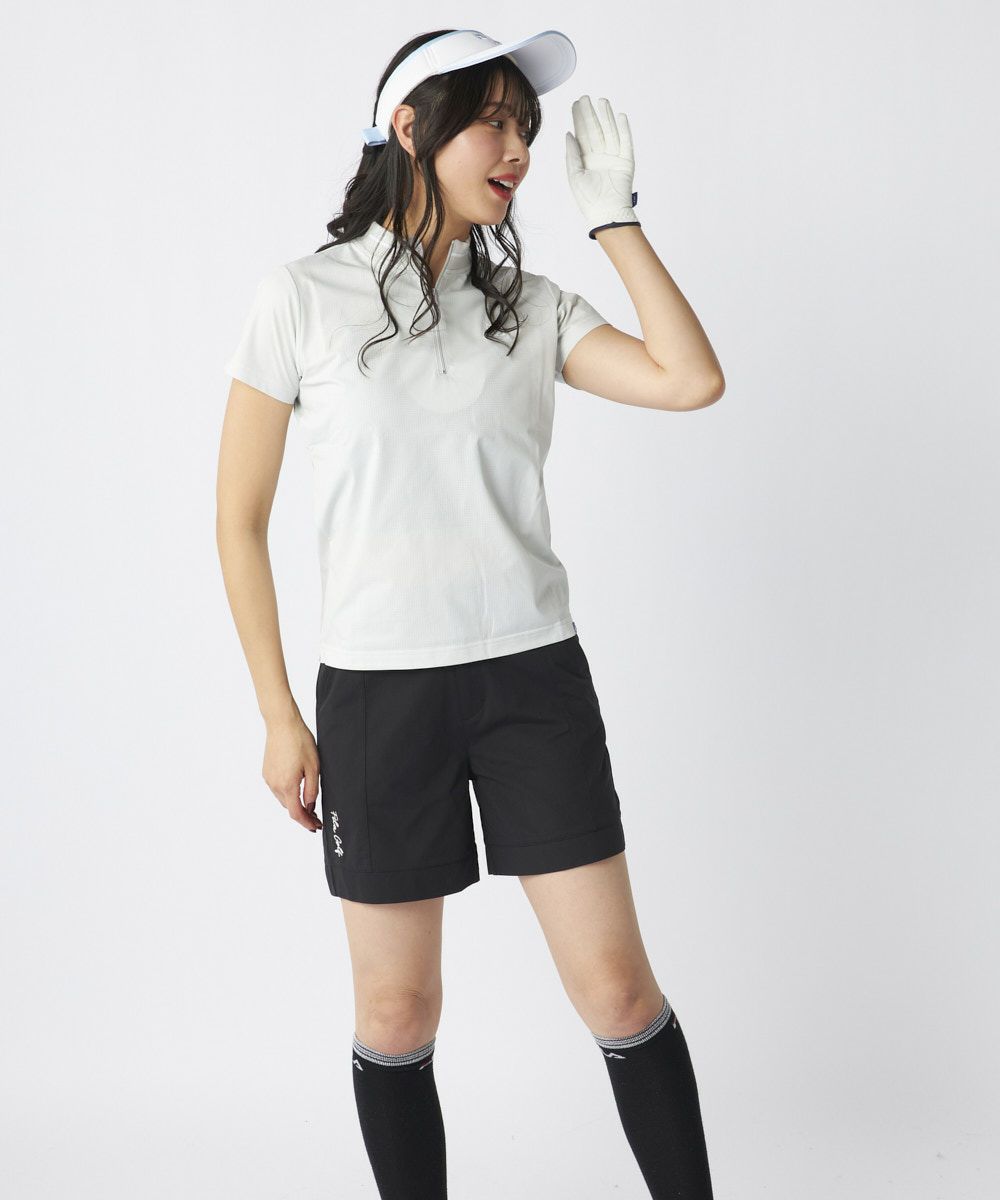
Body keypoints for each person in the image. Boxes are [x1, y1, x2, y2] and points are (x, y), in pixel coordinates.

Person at [217, 27, 725, 1200]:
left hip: (530, 679)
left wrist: (615, 222)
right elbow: (237, 520)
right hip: (377, 691)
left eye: (525, 127)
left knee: (618, 994)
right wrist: (279, 714)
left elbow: (689, 380)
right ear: (410, 128)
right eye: (492, 121)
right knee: (397, 1011)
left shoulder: (529, 307)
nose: (519, 149)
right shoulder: (300, 297)